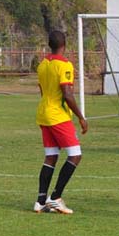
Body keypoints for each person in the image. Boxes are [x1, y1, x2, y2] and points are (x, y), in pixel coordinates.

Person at [33, 30, 88, 214]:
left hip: (43, 113)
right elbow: (67, 93)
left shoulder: (42, 65)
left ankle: (40, 201)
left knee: (51, 156)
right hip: (58, 116)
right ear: (64, 44)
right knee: (75, 155)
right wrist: (81, 116)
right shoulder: (64, 65)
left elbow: (43, 91)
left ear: (50, 44)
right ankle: (55, 197)